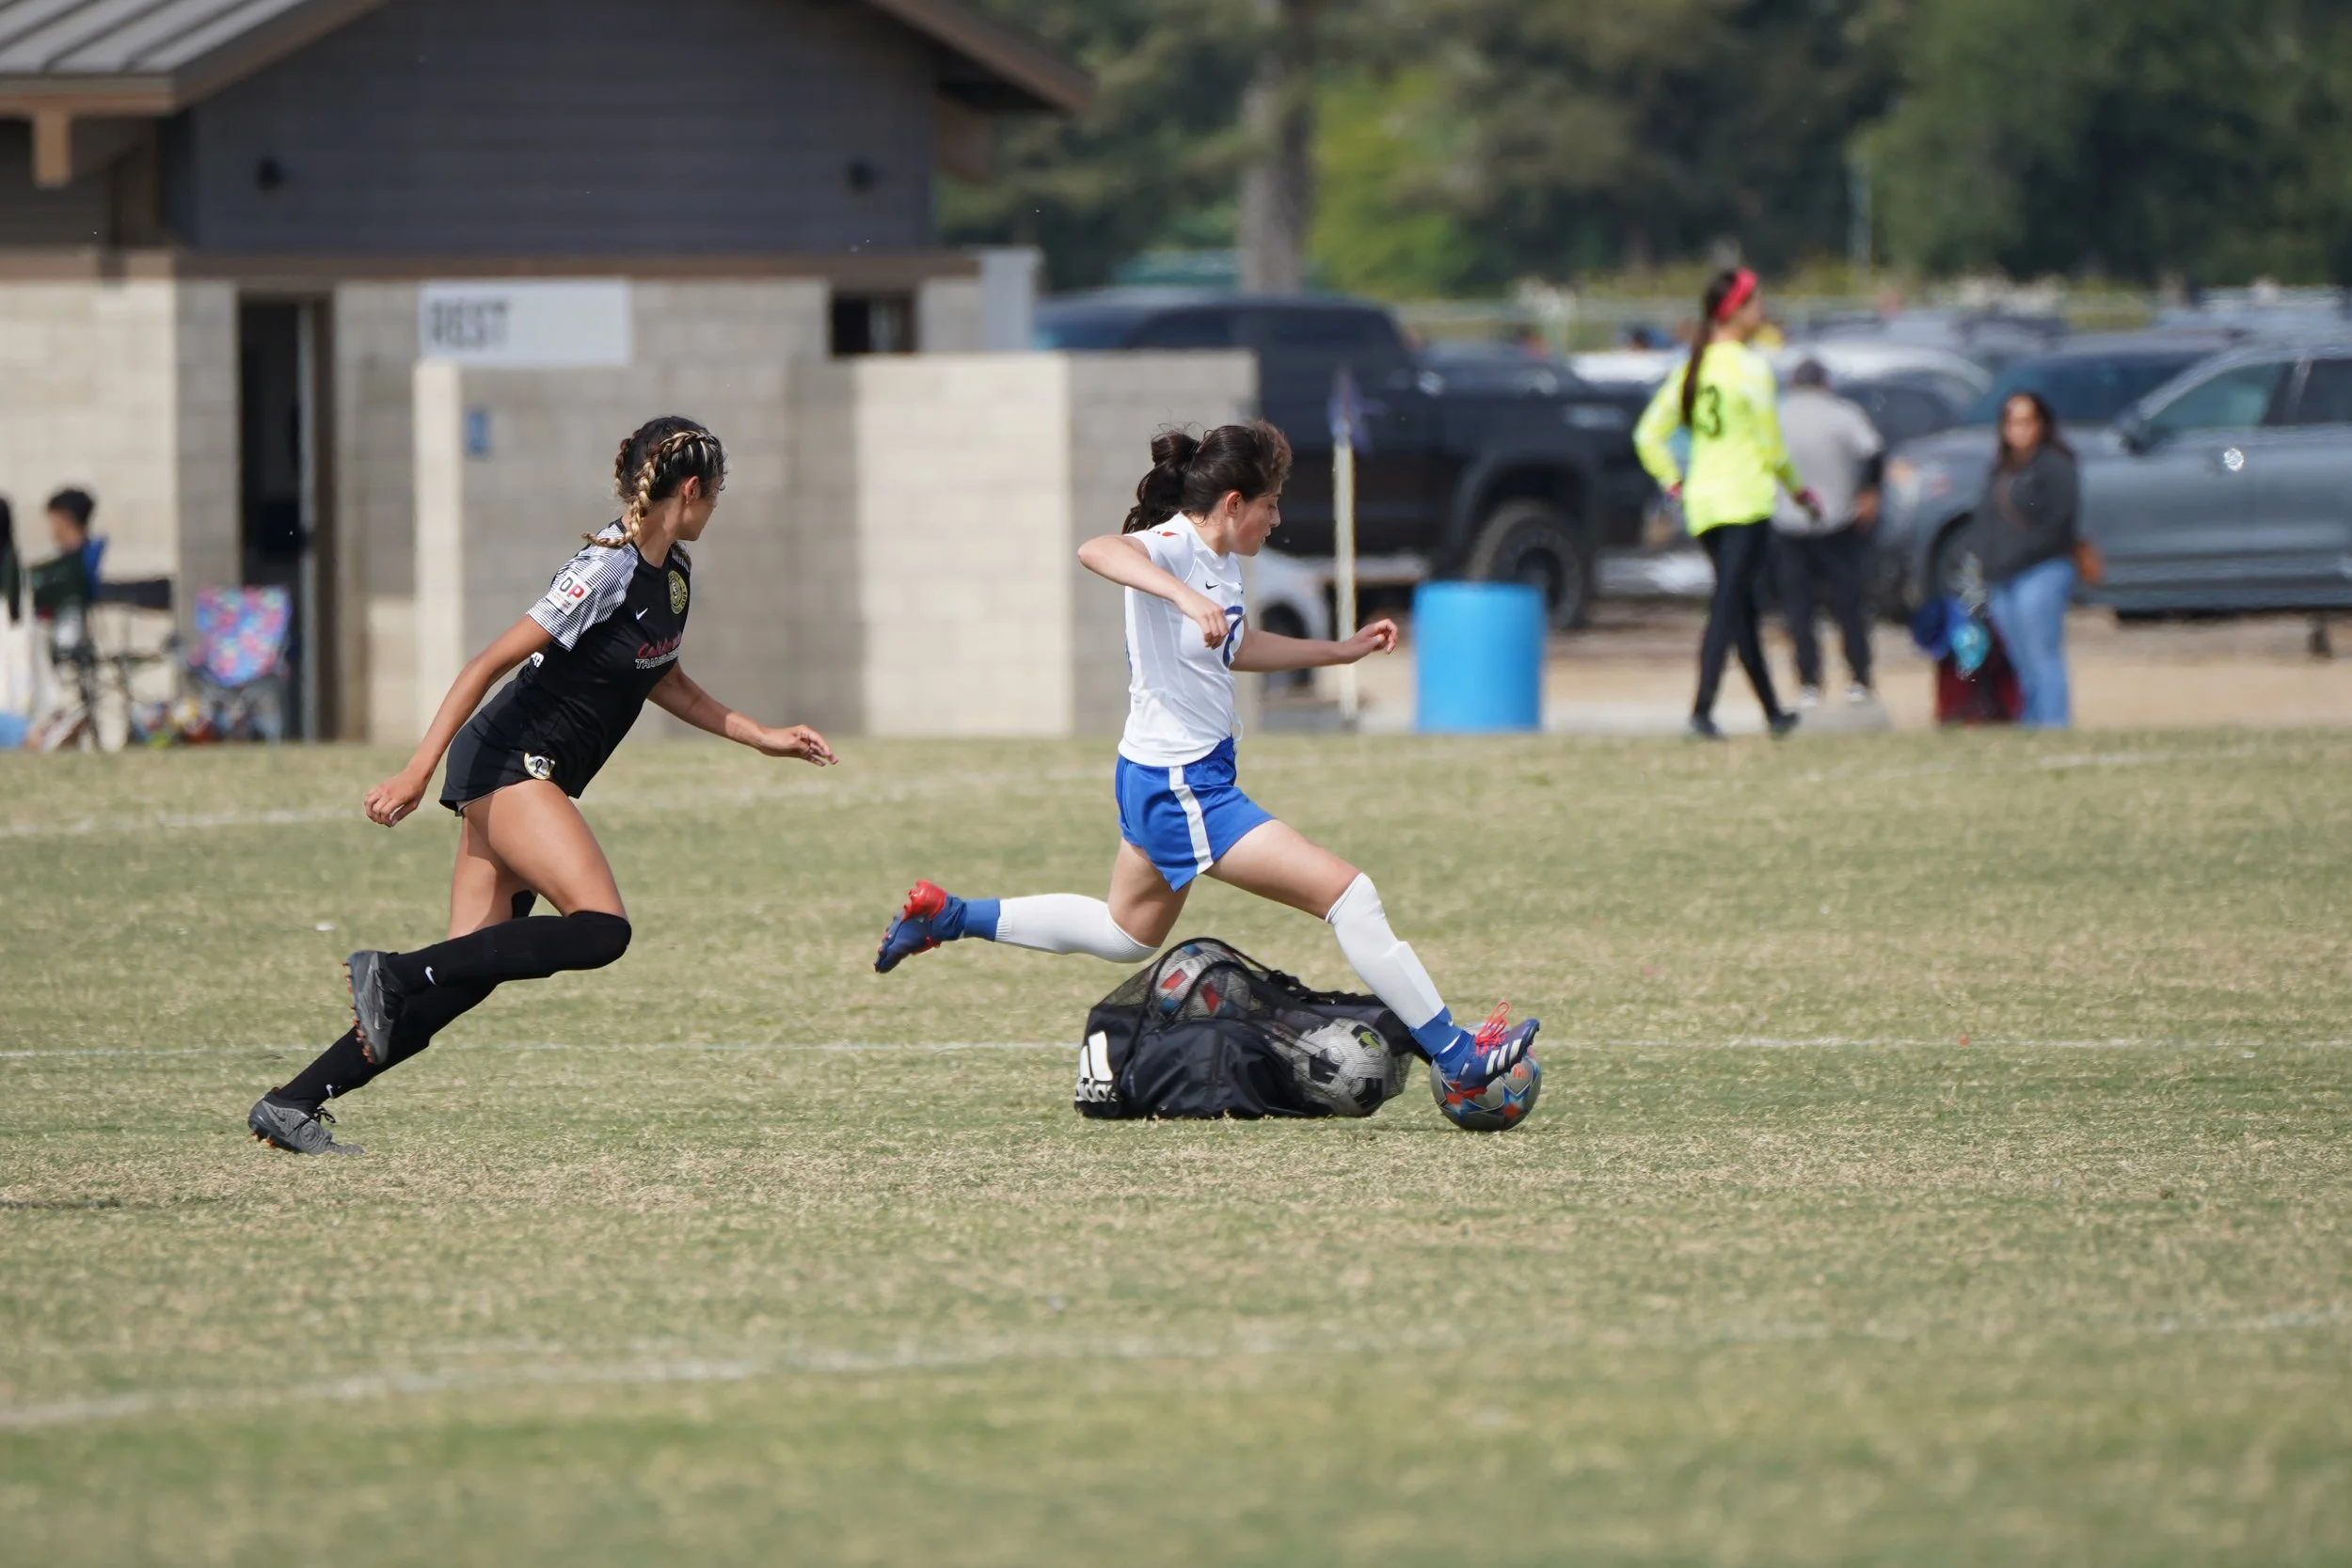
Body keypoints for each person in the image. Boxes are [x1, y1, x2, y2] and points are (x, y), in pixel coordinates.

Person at [870, 421, 1538, 1095]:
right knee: (1350, 897)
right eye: (1271, 503)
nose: (1276, 519)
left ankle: (947, 915)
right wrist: (1180, 593)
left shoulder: (1222, 562)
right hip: (1181, 784)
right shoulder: (1174, 546)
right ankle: (1454, 1051)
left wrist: (1339, 651)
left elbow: (1235, 646)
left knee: (1125, 934)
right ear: (1233, 503)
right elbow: (1096, 550)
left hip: (1168, 775)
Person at [247, 417, 838, 1155]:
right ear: (691, 489)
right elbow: (487, 663)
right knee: (601, 929)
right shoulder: (605, 568)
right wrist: (415, 769)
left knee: (458, 979)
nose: (717, 505)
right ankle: (391, 971)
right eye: (717, 492)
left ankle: (292, 1101)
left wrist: (762, 735)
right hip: (511, 759)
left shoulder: (674, 575)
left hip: (518, 768)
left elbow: (666, 680)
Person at [1634, 267, 1820, 739]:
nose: (1762, 310)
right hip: (1745, 502)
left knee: (1741, 608)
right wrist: (1801, 492)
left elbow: (1648, 435)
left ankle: (1773, 713)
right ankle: (1701, 711)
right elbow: (1772, 448)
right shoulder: (1751, 368)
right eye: (1755, 303)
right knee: (1727, 604)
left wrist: (1673, 483)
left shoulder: (1692, 367)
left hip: (1704, 505)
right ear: (1735, 311)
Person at [1772, 359, 1884, 707]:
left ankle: (1808, 681)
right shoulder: (1842, 413)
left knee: (1799, 609)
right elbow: (1874, 452)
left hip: (1789, 522)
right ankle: (1859, 678)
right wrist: (1869, 491)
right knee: (1848, 605)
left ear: (1793, 383)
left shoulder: (1777, 416)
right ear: (1825, 383)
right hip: (1838, 520)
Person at [1974, 391, 2079, 728]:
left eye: (2026, 421)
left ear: (2041, 424)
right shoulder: (2000, 469)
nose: (2019, 429)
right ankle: (2031, 722)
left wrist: (2017, 555)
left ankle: (2054, 723)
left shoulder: (2055, 466)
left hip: (2040, 570)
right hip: (2001, 576)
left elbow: (2059, 524)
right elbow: (1985, 522)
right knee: (2020, 659)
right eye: (2012, 422)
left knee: (2042, 652)